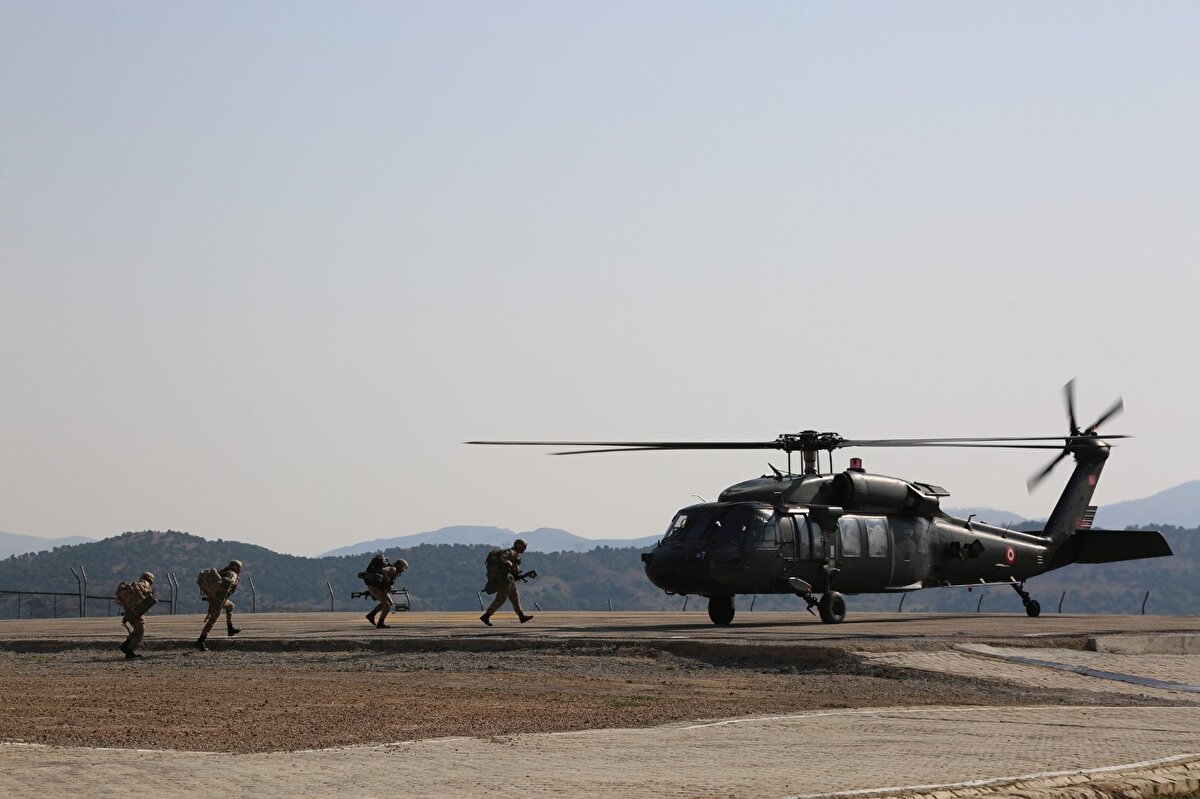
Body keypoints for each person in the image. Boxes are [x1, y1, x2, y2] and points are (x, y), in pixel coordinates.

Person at [480, 538, 534, 626]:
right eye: (523, 547)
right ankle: (486, 616)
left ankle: (521, 616)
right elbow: (503, 557)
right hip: (505, 581)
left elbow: (513, 572)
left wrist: (520, 575)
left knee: (515, 596)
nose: (524, 549)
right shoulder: (511, 552)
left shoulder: (516, 554)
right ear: (518, 546)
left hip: (509, 581)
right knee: (501, 599)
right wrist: (509, 563)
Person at [196, 559, 243, 651]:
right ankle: (201, 640)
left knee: (230, 606)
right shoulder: (232, 574)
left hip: (213, 598)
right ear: (237, 567)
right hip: (219, 600)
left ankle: (230, 628)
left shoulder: (222, 572)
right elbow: (229, 583)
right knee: (212, 620)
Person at [115, 571, 156, 659]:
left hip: (130, 611)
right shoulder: (145, 583)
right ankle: (129, 650)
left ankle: (125, 646)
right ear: (150, 580)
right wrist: (149, 592)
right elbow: (145, 593)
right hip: (137, 611)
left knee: (137, 630)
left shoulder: (135, 585)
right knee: (140, 630)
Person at [365, 558, 408, 628]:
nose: (403, 570)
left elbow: (385, 582)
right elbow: (383, 570)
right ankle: (380, 623)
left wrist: (388, 586)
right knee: (387, 606)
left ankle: (372, 615)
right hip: (375, 588)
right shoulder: (393, 569)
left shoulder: (394, 571)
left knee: (390, 603)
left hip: (377, 588)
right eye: (403, 568)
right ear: (399, 565)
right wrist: (388, 580)